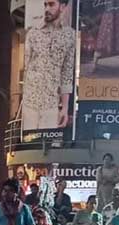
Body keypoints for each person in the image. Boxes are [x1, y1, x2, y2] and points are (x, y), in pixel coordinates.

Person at [23, 0, 75, 130]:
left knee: (47, 146)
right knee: (29, 146)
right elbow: (26, 67)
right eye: (45, 4)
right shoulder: (33, 33)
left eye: (51, 4)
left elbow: (67, 73)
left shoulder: (69, 35)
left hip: (51, 105)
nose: (47, 8)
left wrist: (65, 108)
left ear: (62, 7)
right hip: (30, 103)